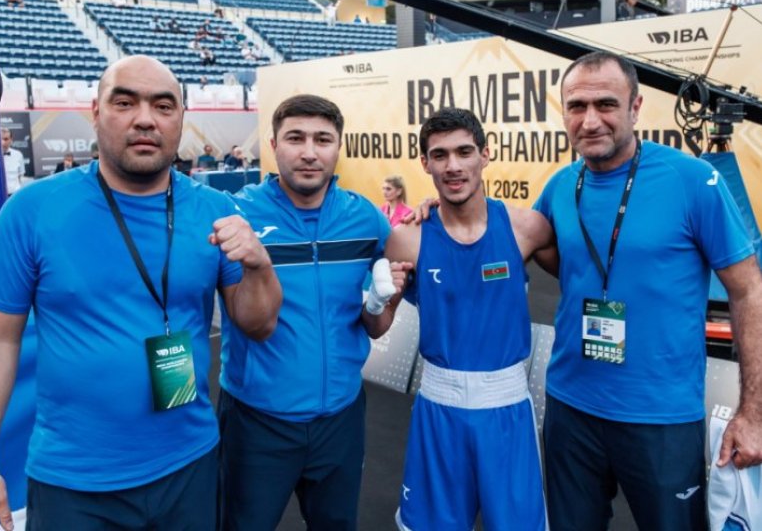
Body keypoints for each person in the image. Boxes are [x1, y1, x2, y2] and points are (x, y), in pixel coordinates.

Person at [0, 55, 282, 531]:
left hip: (189, 464)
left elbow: (258, 324)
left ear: (181, 119)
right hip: (73, 481)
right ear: (95, 111)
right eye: (124, 102)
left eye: (163, 106)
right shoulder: (31, 211)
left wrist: (259, 266)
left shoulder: (217, 210)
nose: (145, 118)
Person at [533, 51, 762, 530]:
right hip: (570, 411)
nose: (590, 120)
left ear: (636, 108)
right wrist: (437, 210)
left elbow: (748, 292)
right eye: (576, 106)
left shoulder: (693, 180)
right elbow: (541, 252)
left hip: (662, 420)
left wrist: (753, 413)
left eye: (606, 104)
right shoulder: (558, 186)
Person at [218, 94, 399, 530]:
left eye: (323, 139)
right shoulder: (237, 213)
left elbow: (378, 324)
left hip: (341, 418)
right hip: (256, 420)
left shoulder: (366, 220)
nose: (309, 152)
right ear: (274, 144)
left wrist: (381, 301)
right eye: (295, 138)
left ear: (339, 146)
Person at [370, 108, 552, 531]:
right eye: (440, 154)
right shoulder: (408, 237)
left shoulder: (526, 227)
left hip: (507, 408)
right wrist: (379, 300)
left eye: (464, 151)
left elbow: (582, 277)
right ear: (425, 163)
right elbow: (376, 326)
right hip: (439, 409)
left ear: (485, 155)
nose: (453, 165)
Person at [1, 128, 24, 197]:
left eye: (6, 139)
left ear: (11, 140)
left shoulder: (18, 155)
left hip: (14, 195)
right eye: (0, 139)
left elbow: (20, 175)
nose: (3, 142)